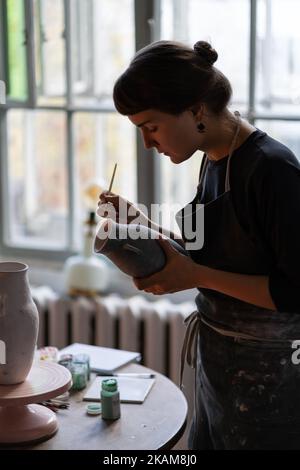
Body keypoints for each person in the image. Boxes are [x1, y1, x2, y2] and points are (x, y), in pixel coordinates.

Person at [98, 40, 300, 450]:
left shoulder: (273, 170)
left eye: (151, 127)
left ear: (196, 110)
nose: (148, 145)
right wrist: (139, 223)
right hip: (220, 364)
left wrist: (195, 275)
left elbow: (294, 290)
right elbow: (204, 252)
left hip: (273, 378)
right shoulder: (212, 158)